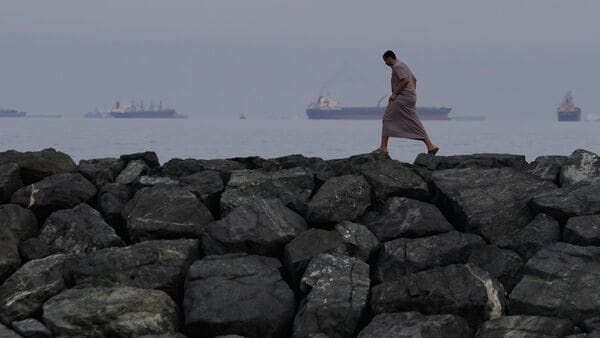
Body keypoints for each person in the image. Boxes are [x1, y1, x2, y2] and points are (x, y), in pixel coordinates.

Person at [372, 50, 439, 156]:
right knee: (414, 121)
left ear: (390, 58)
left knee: (387, 118)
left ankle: (383, 148)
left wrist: (394, 94)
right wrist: (411, 93)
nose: (385, 63)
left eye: (385, 61)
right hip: (410, 97)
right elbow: (414, 80)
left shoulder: (396, 66)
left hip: (401, 97)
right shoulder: (403, 64)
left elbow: (404, 80)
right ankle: (430, 146)